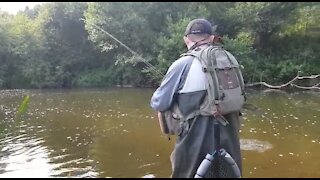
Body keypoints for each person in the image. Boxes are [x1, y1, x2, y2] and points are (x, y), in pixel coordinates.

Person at [150, 18, 243, 178]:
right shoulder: (230, 60)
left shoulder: (181, 64)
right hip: (230, 149)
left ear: (186, 39)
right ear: (212, 38)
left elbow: (158, 102)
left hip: (194, 149)